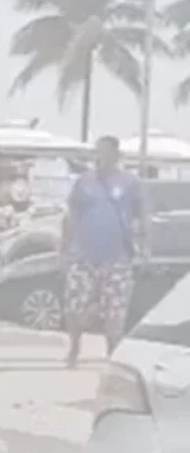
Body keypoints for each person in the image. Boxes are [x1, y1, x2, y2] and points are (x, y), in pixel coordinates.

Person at [61, 135, 146, 368]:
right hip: (83, 255)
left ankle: (112, 352)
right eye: (98, 152)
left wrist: (145, 245)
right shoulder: (84, 182)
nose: (102, 157)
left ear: (116, 155)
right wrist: (64, 249)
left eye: (107, 152)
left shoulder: (130, 183)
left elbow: (142, 216)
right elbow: (70, 216)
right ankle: (74, 347)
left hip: (117, 257)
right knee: (74, 306)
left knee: (115, 312)